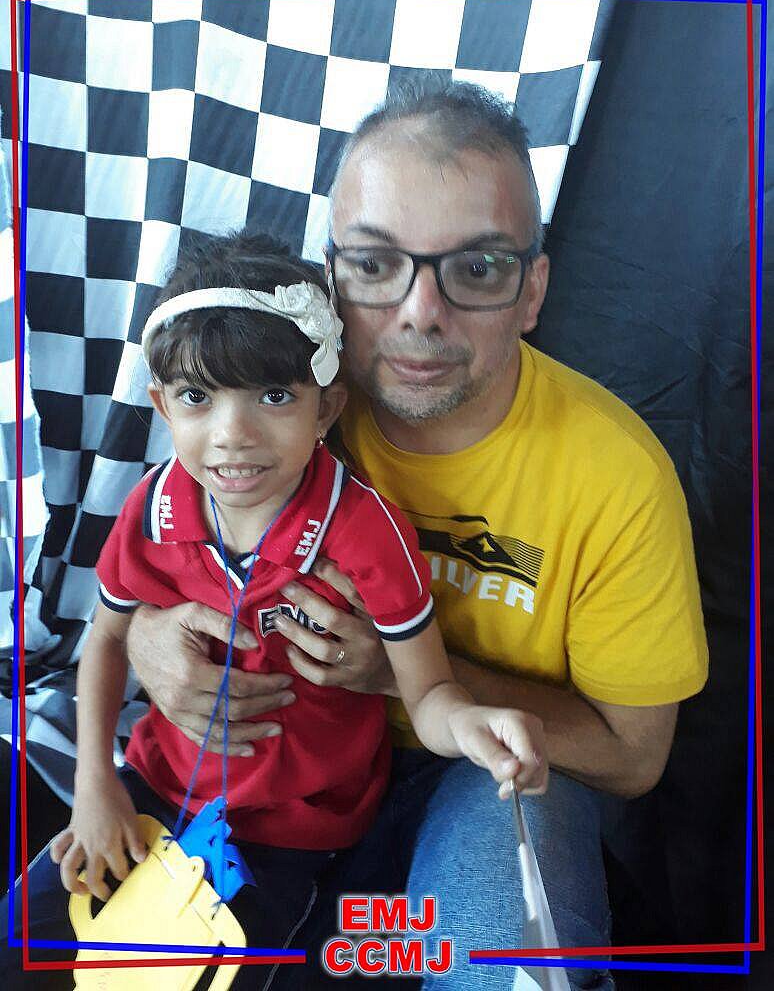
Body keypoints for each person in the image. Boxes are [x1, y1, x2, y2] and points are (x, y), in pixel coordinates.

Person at [0, 232, 550, 987]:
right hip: (155, 787)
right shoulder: (153, 505)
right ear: (162, 404)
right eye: (198, 398)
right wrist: (96, 789)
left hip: (297, 831)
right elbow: (107, 640)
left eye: (275, 396)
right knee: (23, 951)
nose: (233, 435)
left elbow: (428, 695)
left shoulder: (368, 533)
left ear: (327, 406)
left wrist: (470, 727)